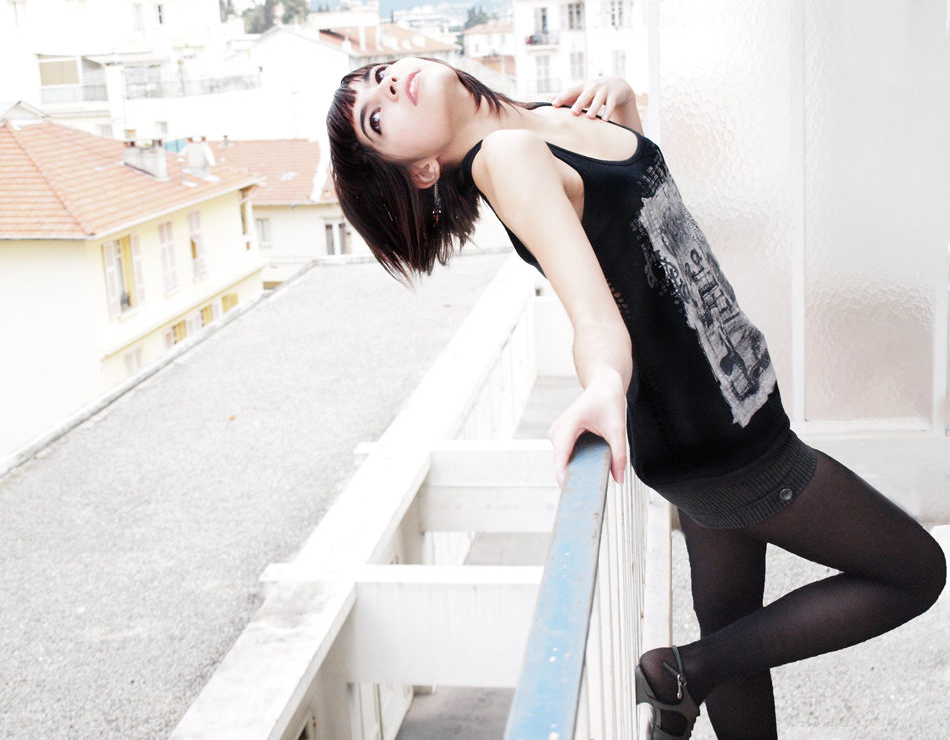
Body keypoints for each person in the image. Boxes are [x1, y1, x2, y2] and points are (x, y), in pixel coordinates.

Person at [326, 58, 946, 739]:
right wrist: (601, 385)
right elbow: (595, 315)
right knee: (915, 571)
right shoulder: (506, 158)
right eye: (377, 117)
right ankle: (681, 673)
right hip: (718, 439)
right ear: (420, 171)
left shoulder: (544, 117)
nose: (389, 87)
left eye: (381, 74)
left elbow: (641, 233)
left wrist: (624, 114)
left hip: (725, 407)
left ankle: (690, 676)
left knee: (733, 627)